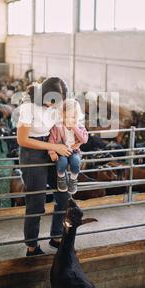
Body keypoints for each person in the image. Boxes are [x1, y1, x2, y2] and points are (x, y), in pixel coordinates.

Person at [17, 77, 72, 256]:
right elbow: (22, 139)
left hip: (50, 148)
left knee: (63, 193)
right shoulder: (28, 107)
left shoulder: (55, 106)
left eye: (58, 102)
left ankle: (56, 236)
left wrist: (72, 144)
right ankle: (32, 247)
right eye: (53, 101)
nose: (54, 106)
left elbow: (59, 127)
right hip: (31, 153)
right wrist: (55, 147)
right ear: (44, 95)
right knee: (36, 202)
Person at [48, 99, 88, 194]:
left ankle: (73, 180)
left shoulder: (80, 126)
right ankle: (61, 178)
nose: (70, 120)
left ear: (77, 117)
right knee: (62, 162)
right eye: (67, 117)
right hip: (62, 151)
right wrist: (52, 152)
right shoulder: (57, 127)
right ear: (62, 115)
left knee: (76, 161)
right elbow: (51, 141)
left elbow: (84, 140)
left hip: (74, 151)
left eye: (73, 117)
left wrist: (75, 128)